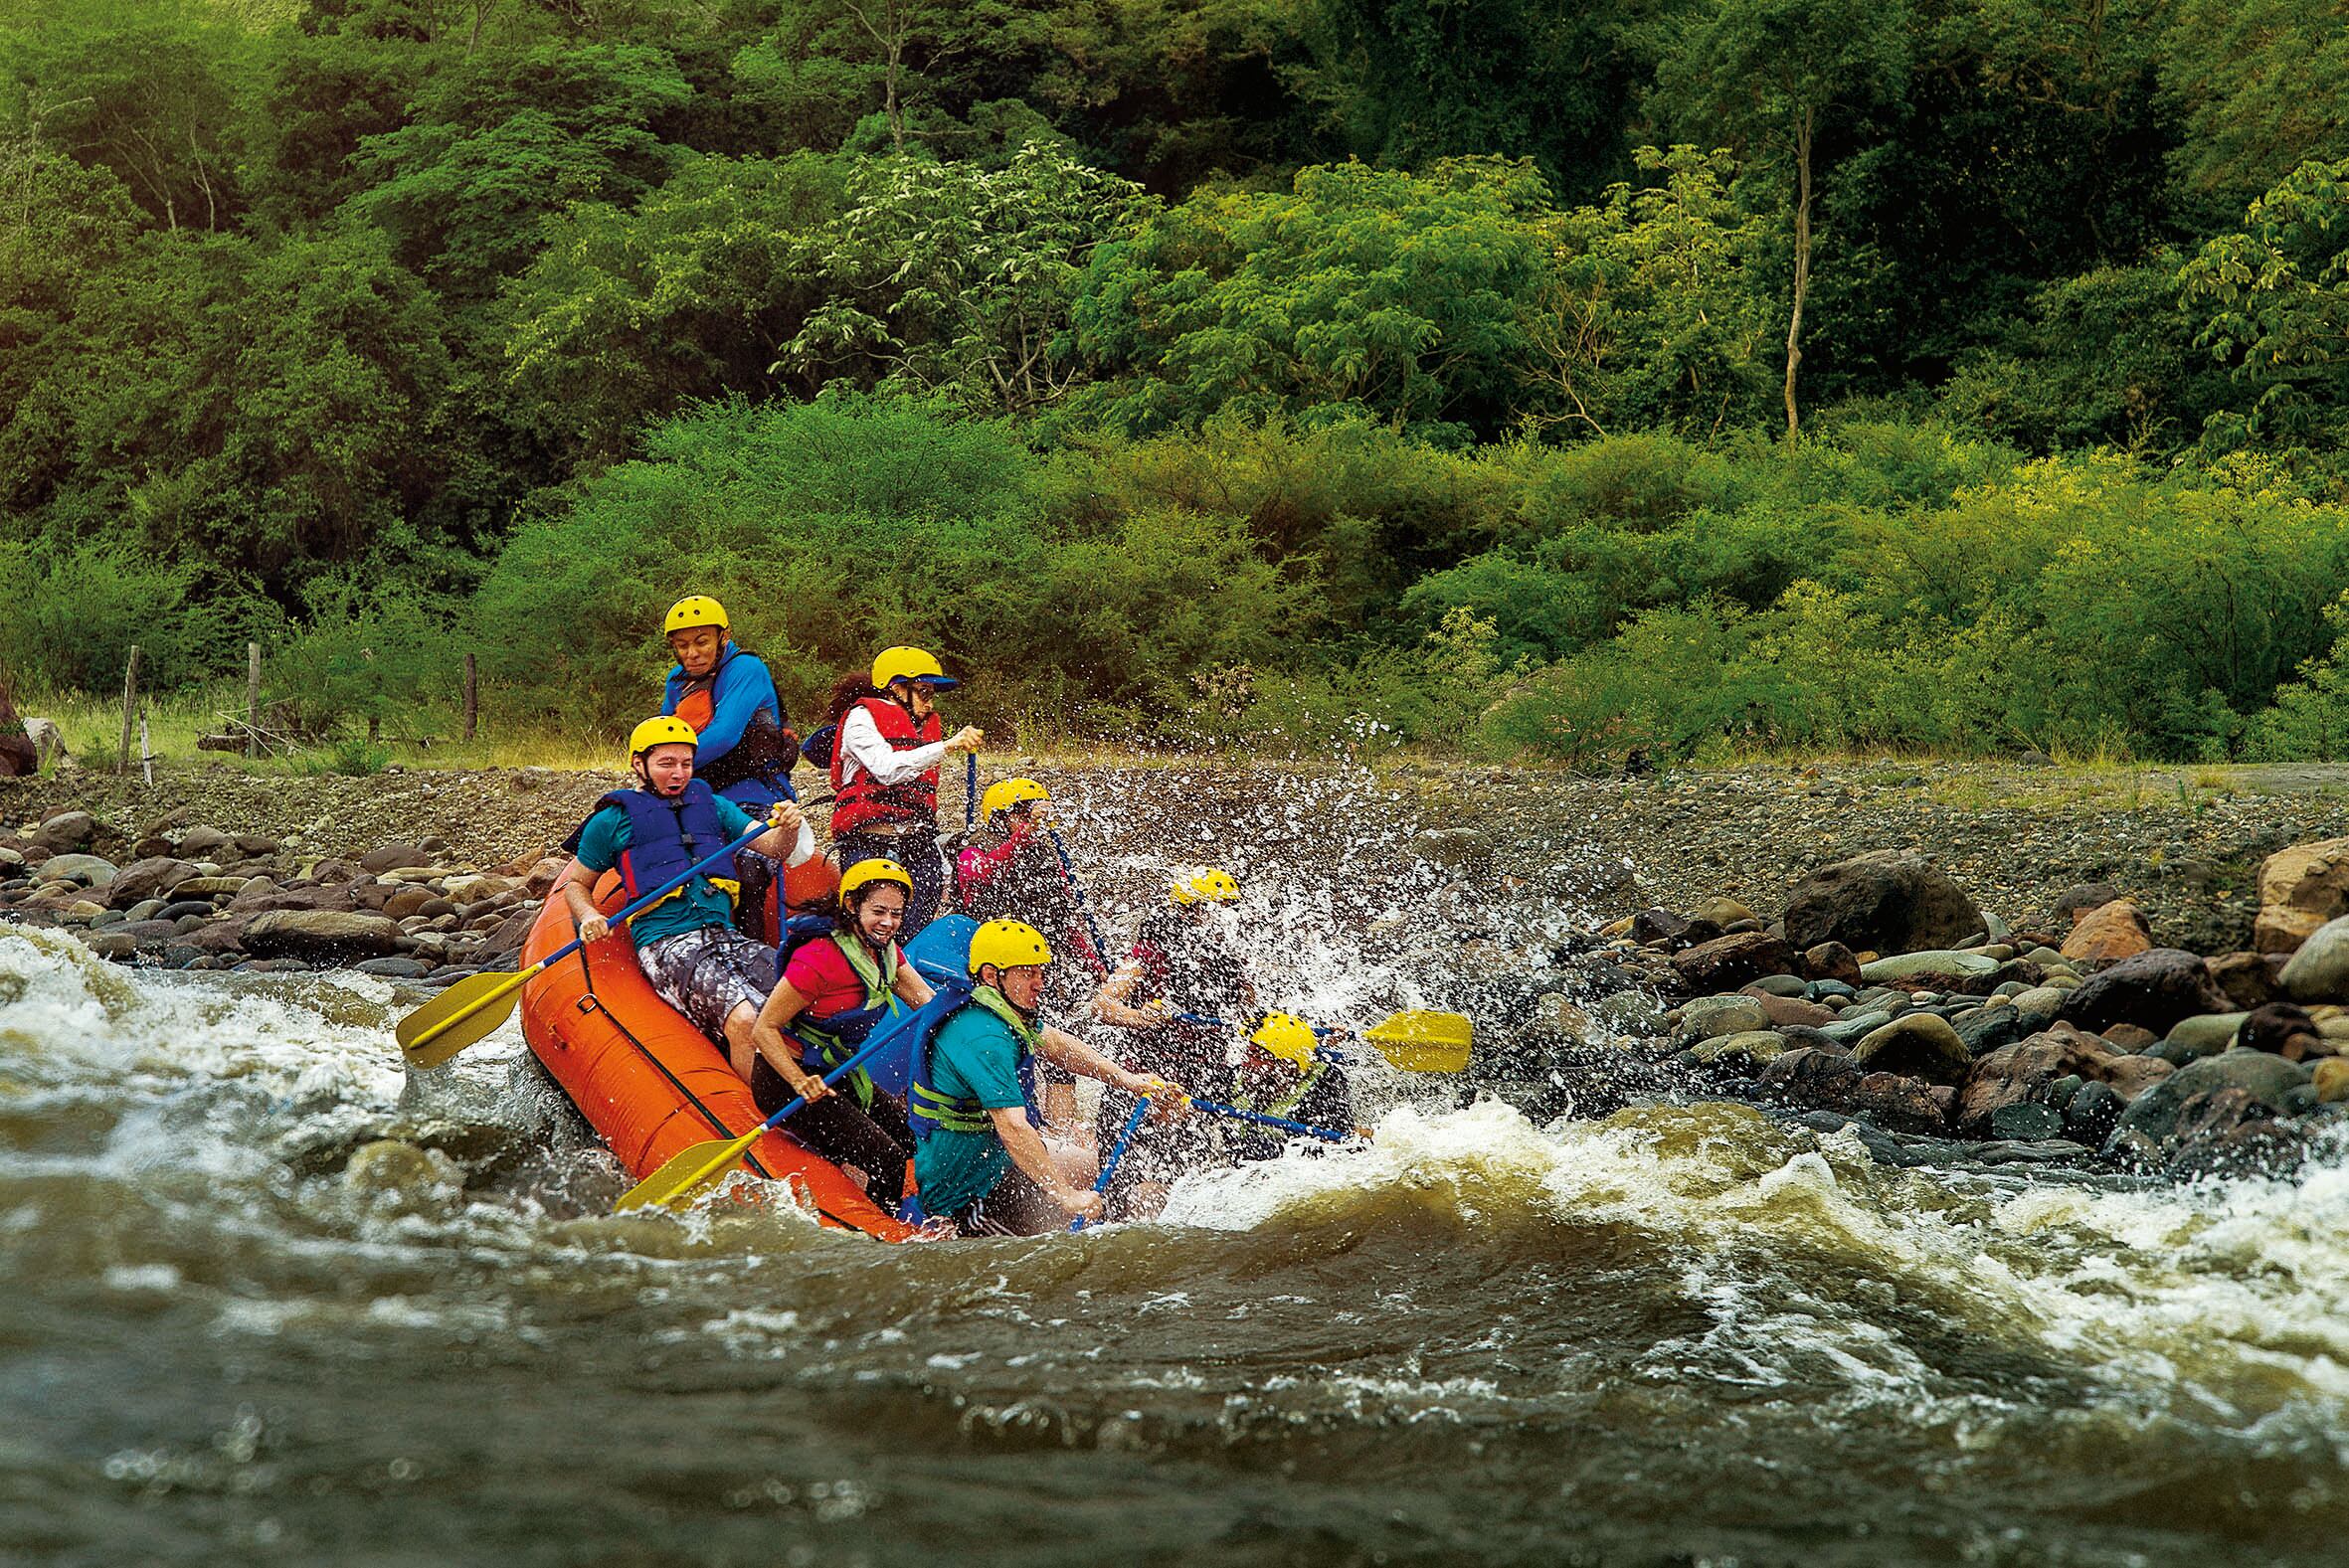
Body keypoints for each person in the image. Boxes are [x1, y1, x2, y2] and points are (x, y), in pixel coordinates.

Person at [552, 717, 816, 1084]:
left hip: (727, 937)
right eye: (666, 764)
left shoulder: (715, 806)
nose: (678, 773)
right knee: (745, 1020)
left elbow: (773, 847)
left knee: (809, 988)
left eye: (686, 763)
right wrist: (588, 915)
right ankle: (763, 1115)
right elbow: (576, 884)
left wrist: (788, 829)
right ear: (638, 764)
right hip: (667, 945)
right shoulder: (610, 821)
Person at [908, 920, 1184, 1236]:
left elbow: (1057, 1045)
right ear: (989, 975)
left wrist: (1127, 1080)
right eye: (1027, 974)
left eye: (1041, 973)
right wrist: (1064, 1195)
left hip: (997, 1168)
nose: (1039, 984)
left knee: (1089, 1189)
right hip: (967, 1197)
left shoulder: (997, 1008)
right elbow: (1013, 1128)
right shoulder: (983, 1037)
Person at [741, 859, 935, 1210]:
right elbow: (763, 1029)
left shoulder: (886, 954)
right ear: (852, 906)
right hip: (785, 1083)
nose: (888, 922)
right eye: (878, 911)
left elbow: (928, 1003)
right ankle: (884, 1232)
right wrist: (800, 1081)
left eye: (896, 913)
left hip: (837, 1072)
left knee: (911, 1140)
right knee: (888, 1159)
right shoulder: (819, 959)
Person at [1089, 866, 1261, 1219]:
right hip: (1145, 1075)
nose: (1224, 923)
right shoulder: (1151, 952)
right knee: (1119, 1174)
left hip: (1203, 1074)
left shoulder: (1228, 958)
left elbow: (1251, 1016)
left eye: (1228, 912)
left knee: (1194, 1172)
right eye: (1215, 911)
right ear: (1188, 913)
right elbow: (1102, 1005)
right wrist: (1141, 1017)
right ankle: (1113, 1214)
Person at [956, 777, 1109, 1161]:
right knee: (1010, 1049)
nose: (1033, 822)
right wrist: (1020, 839)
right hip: (997, 971)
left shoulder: (1044, 852)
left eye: (1034, 815)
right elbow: (979, 877)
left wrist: (1093, 962)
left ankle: (1059, 1136)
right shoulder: (974, 849)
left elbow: (1063, 915)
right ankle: (1011, 1125)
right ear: (1001, 818)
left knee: (1059, 1054)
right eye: (1023, 814)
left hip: (1041, 966)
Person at [828, 645, 982, 936]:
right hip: (868, 843)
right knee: (871, 931)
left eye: (931, 694)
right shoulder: (860, 718)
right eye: (923, 692)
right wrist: (948, 746)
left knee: (913, 931)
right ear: (897, 688)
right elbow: (887, 769)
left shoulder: (922, 728)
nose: (930, 703)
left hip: (917, 843)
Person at [659, 595, 800, 812]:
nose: (692, 654)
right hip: (700, 790)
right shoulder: (677, 680)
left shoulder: (746, 668)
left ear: (724, 636)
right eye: (682, 646)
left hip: (754, 792)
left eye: (702, 642)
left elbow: (724, 736)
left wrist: (668, 768)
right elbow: (664, 736)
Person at [1222, 1012, 1358, 1164]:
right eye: (1249, 1052)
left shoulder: (1322, 1091)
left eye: (1257, 1056)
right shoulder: (1236, 1078)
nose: (1246, 1062)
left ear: (1287, 1065)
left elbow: (1333, 1156)